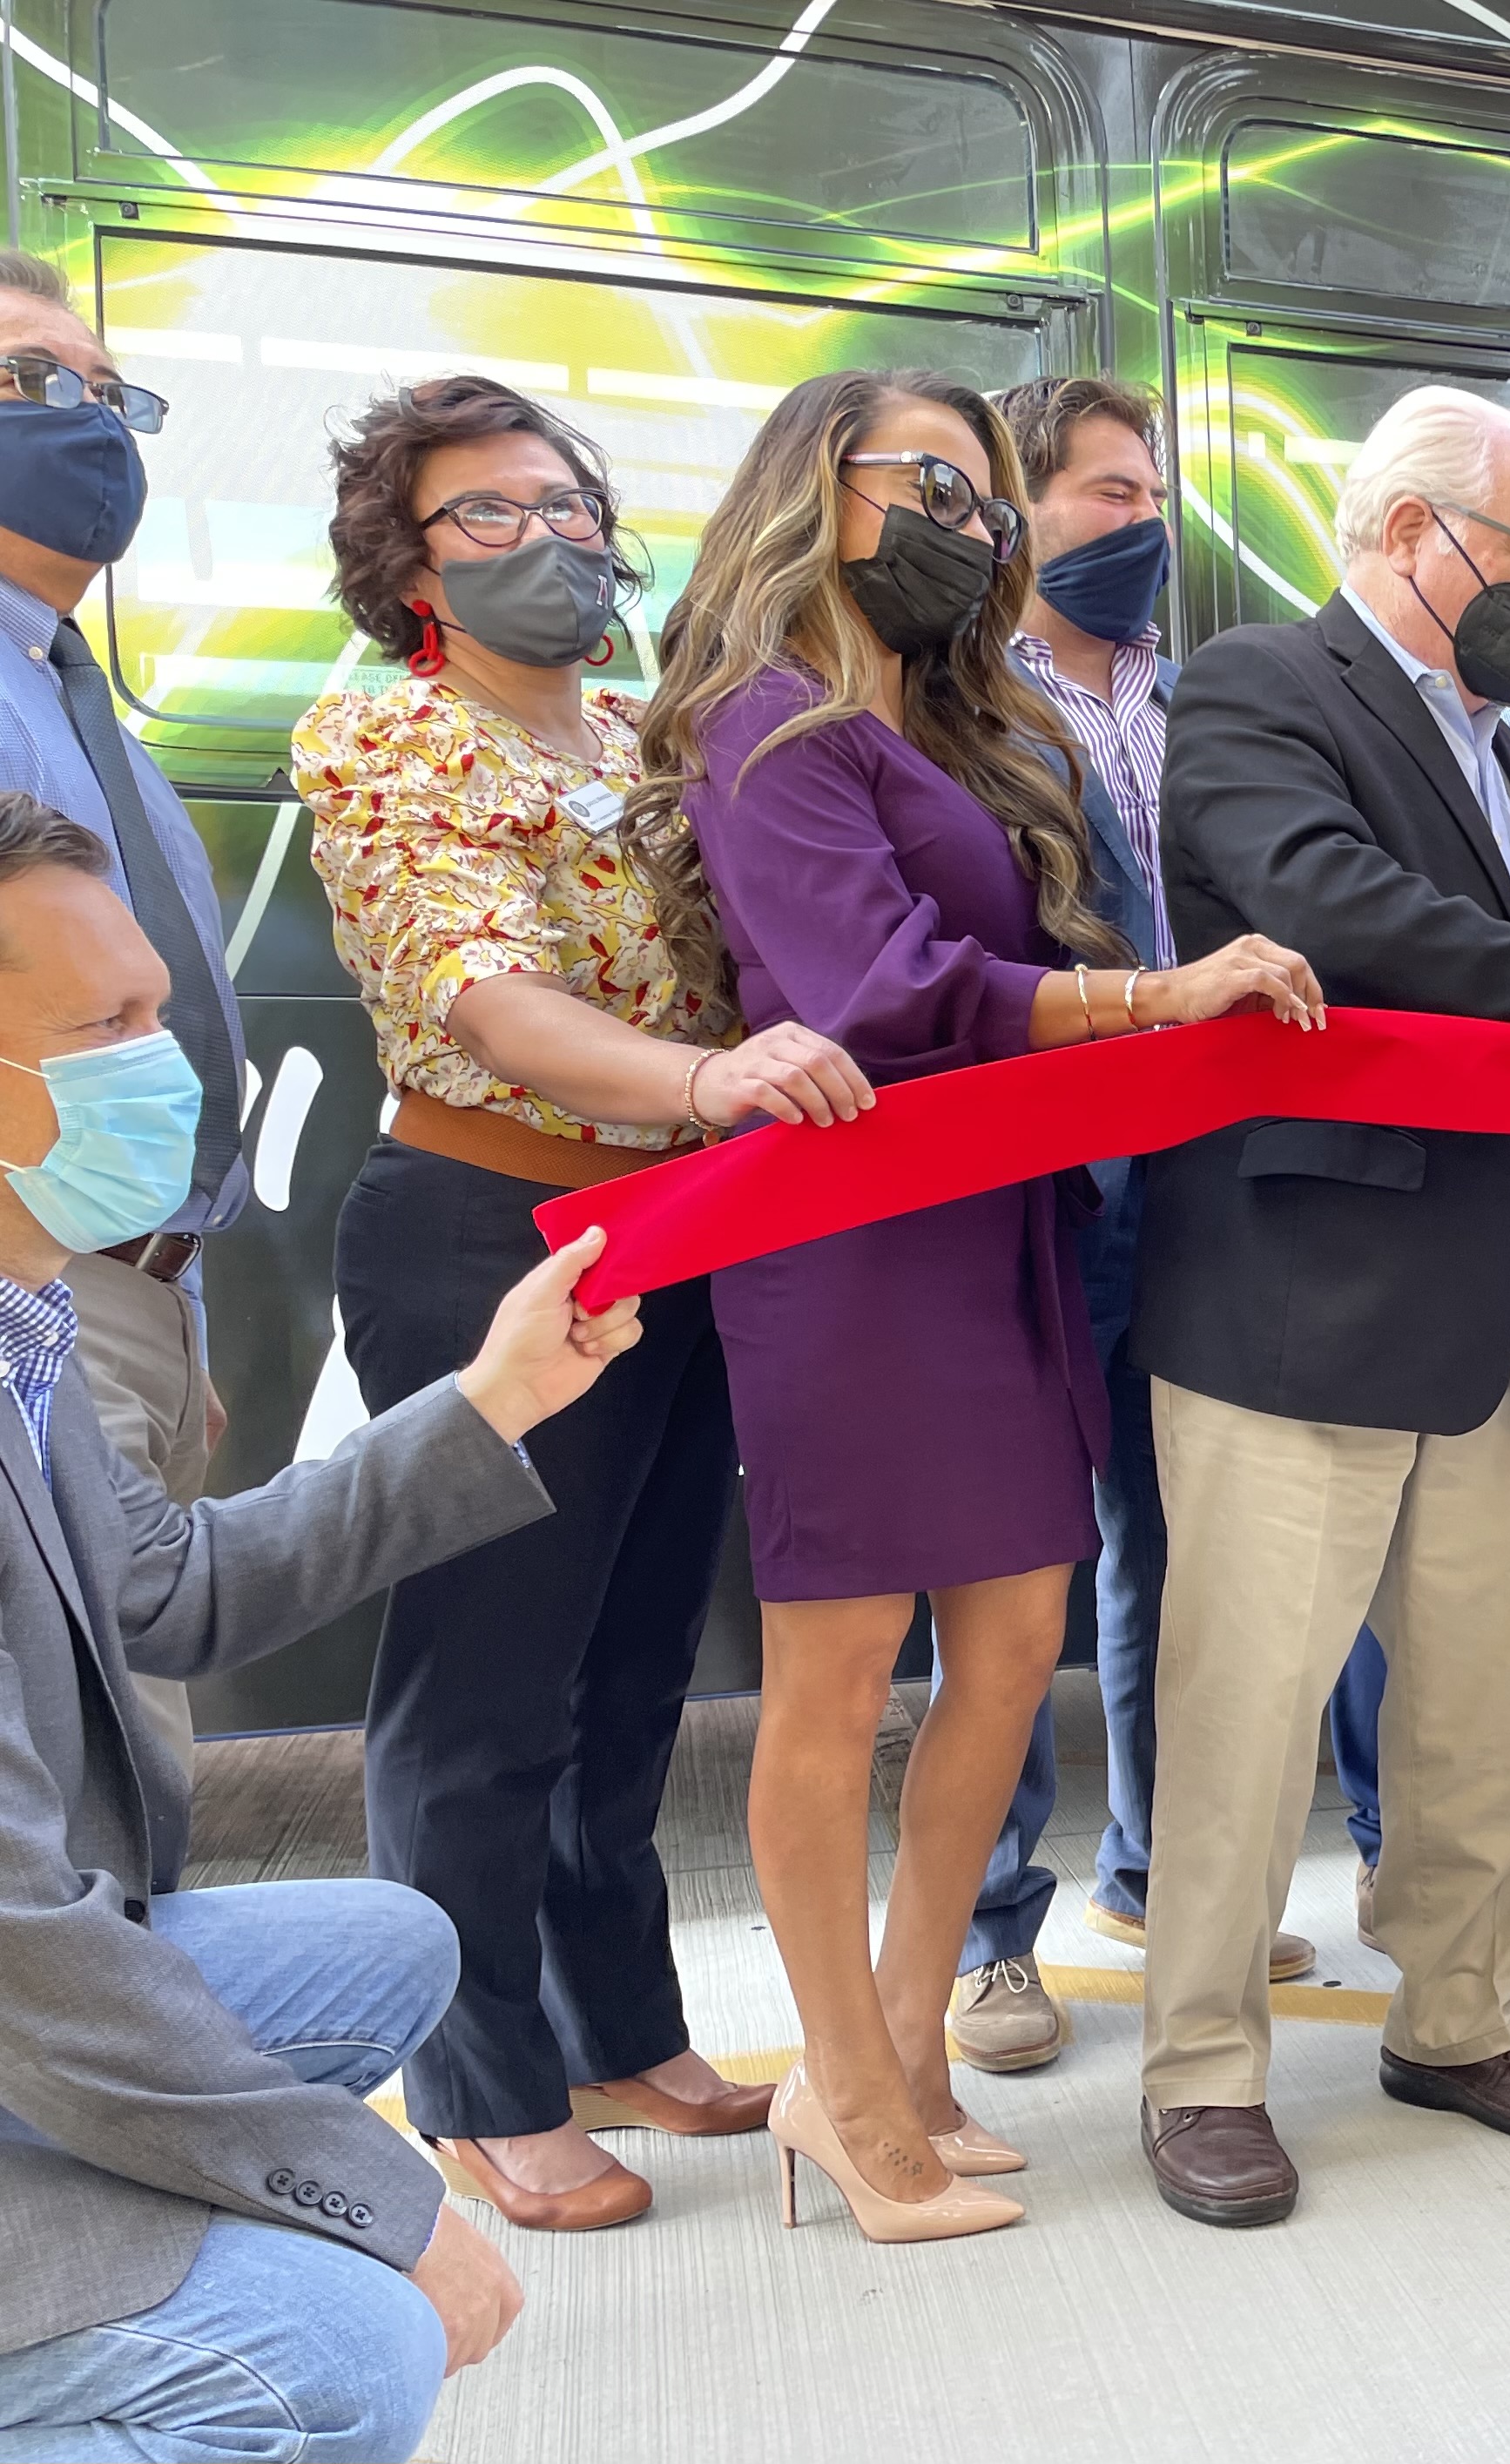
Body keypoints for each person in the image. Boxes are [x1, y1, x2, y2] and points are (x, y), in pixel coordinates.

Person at [629, 367, 1324, 2246]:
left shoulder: (942, 731)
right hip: (852, 1241)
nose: (974, 520)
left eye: (987, 494)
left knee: (1011, 1644)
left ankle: (912, 2038)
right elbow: (872, 985)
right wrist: (1138, 1004)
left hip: (988, 1217)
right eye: (927, 481)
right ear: (814, 492)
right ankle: (839, 2084)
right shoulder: (761, 723)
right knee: (838, 1669)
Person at [1129, 381, 1510, 2229]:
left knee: (1479, 1698)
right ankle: (1203, 2067)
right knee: (1247, 1706)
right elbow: (1332, 904)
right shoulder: (1250, 689)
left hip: (1483, 1300)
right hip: (1293, 1292)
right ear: (1403, 533)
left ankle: (1456, 2010)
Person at [0, 792, 635, 2461]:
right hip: (11, 1973)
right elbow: (19, 1946)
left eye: (158, 1005)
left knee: (390, 1945)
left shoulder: (28, 1313)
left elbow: (175, 1590)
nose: (169, 1064)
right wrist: (377, 2204)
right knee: (345, 2345)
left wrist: (494, 1399)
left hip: (22, 1977)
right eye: (108, 1028)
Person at [293, 375, 863, 2230]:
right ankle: (475, 2082)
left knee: (631, 1667)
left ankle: (621, 2023)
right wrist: (696, 1080)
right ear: (410, 567)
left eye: (564, 503)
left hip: (681, 1236)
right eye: (484, 515)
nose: (544, 539)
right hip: (493, 1233)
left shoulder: (646, 727)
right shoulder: (385, 737)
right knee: (483, 1682)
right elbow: (479, 991)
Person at [945, 375, 1338, 2076]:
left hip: (1199, 1178)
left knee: (1175, 1545)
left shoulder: (1200, 704)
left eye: (1151, 492)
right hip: (1044, 1178)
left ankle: (1165, 1872)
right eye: (1105, 494)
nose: (1143, 522)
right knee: (1013, 1561)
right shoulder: (967, 705)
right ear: (1017, 516)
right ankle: (987, 1941)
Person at [0, 250, 243, 1772]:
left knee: (137, 1761)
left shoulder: (84, 698)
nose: (86, 421)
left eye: (109, 394)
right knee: (90, 1777)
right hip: (34, 1291)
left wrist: (177, 1318)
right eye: (32, 382)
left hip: (136, 1295)